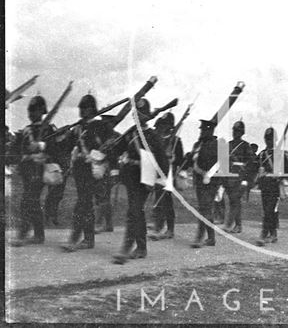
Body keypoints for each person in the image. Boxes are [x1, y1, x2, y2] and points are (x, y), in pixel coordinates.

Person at [109, 98, 169, 264]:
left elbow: (163, 161)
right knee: (136, 211)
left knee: (134, 211)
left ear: (147, 116)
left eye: (140, 113)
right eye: (136, 113)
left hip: (146, 178)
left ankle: (126, 249)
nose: (136, 116)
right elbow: (115, 149)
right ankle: (141, 248)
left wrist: (160, 180)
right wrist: (115, 168)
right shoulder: (131, 132)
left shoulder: (153, 136)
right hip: (130, 177)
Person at [58, 94, 114, 252]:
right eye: (80, 108)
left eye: (84, 108)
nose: (81, 111)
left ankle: (76, 238)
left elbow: (111, 143)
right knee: (85, 203)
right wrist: (63, 134)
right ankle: (88, 239)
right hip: (80, 170)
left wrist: (98, 156)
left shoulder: (101, 126)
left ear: (91, 109)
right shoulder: (77, 128)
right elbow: (65, 146)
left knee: (82, 204)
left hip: (94, 169)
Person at [9, 95, 58, 247]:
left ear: (42, 111)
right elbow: (16, 150)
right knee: (33, 202)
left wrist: (41, 146)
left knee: (27, 201)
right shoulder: (26, 130)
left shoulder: (50, 129)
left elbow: (56, 149)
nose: (31, 114)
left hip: (39, 170)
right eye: (30, 110)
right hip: (26, 171)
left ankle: (23, 234)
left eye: (35, 110)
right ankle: (38, 235)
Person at [184, 119, 221, 248]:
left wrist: (210, 176)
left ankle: (199, 237)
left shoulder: (217, 145)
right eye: (201, 129)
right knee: (204, 208)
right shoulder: (197, 145)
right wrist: (188, 158)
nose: (202, 132)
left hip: (212, 181)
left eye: (204, 130)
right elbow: (191, 162)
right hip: (199, 180)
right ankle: (211, 238)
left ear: (211, 131)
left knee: (204, 208)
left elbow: (222, 164)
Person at [255, 127, 288, 245]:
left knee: (269, 210)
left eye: (271, 139)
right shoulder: (262, 155)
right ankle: (273, 235)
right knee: (267, 210)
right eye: (267, 138)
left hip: (275, 187)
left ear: (275, 139)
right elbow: (256, 169)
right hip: (264, 186)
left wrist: (279, 174)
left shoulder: (281, 154)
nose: (268, 141)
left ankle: (263, 235)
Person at [149, 113, 184, 241]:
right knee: (158, 200)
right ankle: (159, 226)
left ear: (170, 126)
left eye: (164, 125)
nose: (161, 127)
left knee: (166, 202)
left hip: (169, 175)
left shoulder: (176, 141)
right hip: (158, 173)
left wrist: (173, 159)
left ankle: (169, 229)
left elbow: (181, 159)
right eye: (160, 125)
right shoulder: (158, 140)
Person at [223, 120, 258, 234]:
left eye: (237, 131)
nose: (235, 133)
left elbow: (252, 163)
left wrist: (246, 180)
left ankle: (230, 223)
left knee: (235, 199)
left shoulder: (245, 146)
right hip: (229, 177)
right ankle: (238, 225)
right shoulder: (228, 145)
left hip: (240, 177)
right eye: (234, 130)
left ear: (242, 132)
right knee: (233, 201)